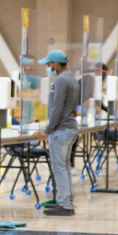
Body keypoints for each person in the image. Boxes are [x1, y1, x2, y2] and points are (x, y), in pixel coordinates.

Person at [32, 50, 80, 217]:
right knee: (64, 167)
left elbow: (57, 108)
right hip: (70, 127)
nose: (48, 67)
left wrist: (47, 130)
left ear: (56, 64)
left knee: (59, 168)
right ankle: (66, 200)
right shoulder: (72, 78)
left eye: (49, 64)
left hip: (61, 130)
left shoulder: (60, 81)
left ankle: (65, 205)